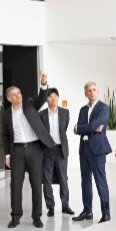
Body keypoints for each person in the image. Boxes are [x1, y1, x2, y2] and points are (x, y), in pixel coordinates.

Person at [2, 71, 55, 229]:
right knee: (15, 185)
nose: (18, 95)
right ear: (9, 98)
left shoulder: (31, 105)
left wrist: (44, 83)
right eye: (14, 94)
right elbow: (5, 136)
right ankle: (15, 216)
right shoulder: (6, 114)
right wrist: (7, 155)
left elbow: (41, 98)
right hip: (17, 151)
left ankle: (37, 217)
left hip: (34, 149)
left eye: (18, 92)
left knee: (36, 184)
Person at [72, 81, 112, 223]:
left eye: (94, 89)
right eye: (89, 90)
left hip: (97, 149)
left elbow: (89, 126)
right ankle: (87, 211)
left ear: (98, 91)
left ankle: (106, 214)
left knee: (100, 180)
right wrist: (88, 128)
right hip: (84, 148)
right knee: (85, 181)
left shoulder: (104, 108)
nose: (92, 92)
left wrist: (83, 128)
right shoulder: (83, 110)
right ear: (85, 94)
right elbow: (79, 129)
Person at [38, 88, 75, 217]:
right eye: (50, 96)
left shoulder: (65, 112)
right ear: (46, 99)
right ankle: (50, 207)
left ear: (58, 98)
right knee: (47, 179)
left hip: (61, 149)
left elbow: (64, 128)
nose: (53, 98)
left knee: (63, 179)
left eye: (55, 96)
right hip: (47, 150)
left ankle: (65, 205)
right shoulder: (41, 114)